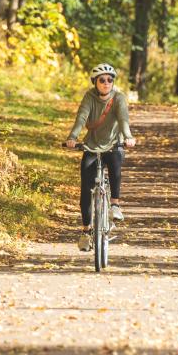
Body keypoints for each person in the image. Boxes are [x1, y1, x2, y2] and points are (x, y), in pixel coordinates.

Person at [64, 63, 136, 250]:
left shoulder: (119, 98)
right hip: (91, 145)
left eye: (109, 80)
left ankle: (115, 205)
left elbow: (123, 119)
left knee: (115, 162)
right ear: (95, 82)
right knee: (86, 189)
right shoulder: (89, 97)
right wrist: (73, 137)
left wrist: (127, 137)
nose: (106, 83)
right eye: (102, 80)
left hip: (113, 144)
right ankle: (86, 232)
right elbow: (82, 117)